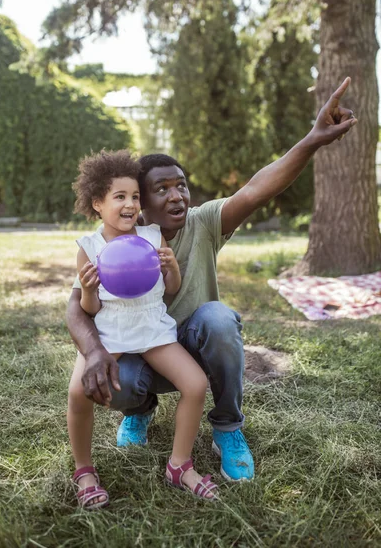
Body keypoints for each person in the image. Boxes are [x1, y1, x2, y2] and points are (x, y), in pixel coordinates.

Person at [67, 77, 357, 484]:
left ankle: (227, 427)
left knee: (219, 319)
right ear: (139, 202)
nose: (177, 196)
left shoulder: (202, 222)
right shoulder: (113, 242)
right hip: (136, 349)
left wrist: (312, 140)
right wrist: (94, 345)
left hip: (186, 347)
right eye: (161, 189)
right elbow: (78, 304)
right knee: (121, 383)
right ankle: (139, 411)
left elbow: (256, 190)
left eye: (181, 185)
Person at [69, 149, 218, 510]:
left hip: (152, 327)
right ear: (98, 203)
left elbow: (168, 290)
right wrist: (89, 289)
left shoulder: (152, 236)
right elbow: (89, 309)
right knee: (77, 393)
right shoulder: (90, 247)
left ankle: (179, 465)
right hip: (111, 331)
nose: (130, 204)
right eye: (119, 197)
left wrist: (171, 269)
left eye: (135, 196)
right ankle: (84, 470)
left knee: (196, 385)